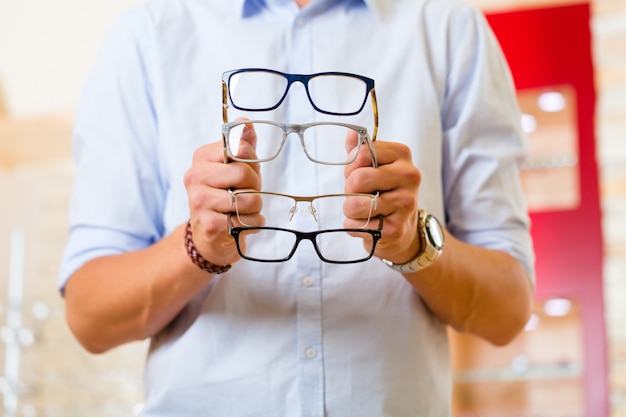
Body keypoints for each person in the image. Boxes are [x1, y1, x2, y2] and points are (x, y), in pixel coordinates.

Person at [58, 0, 534, 415]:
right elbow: (90, 317)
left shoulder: (450, 30)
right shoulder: (147, 36)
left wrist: (412, 243)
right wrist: (198, 246)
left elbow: (506, 310)